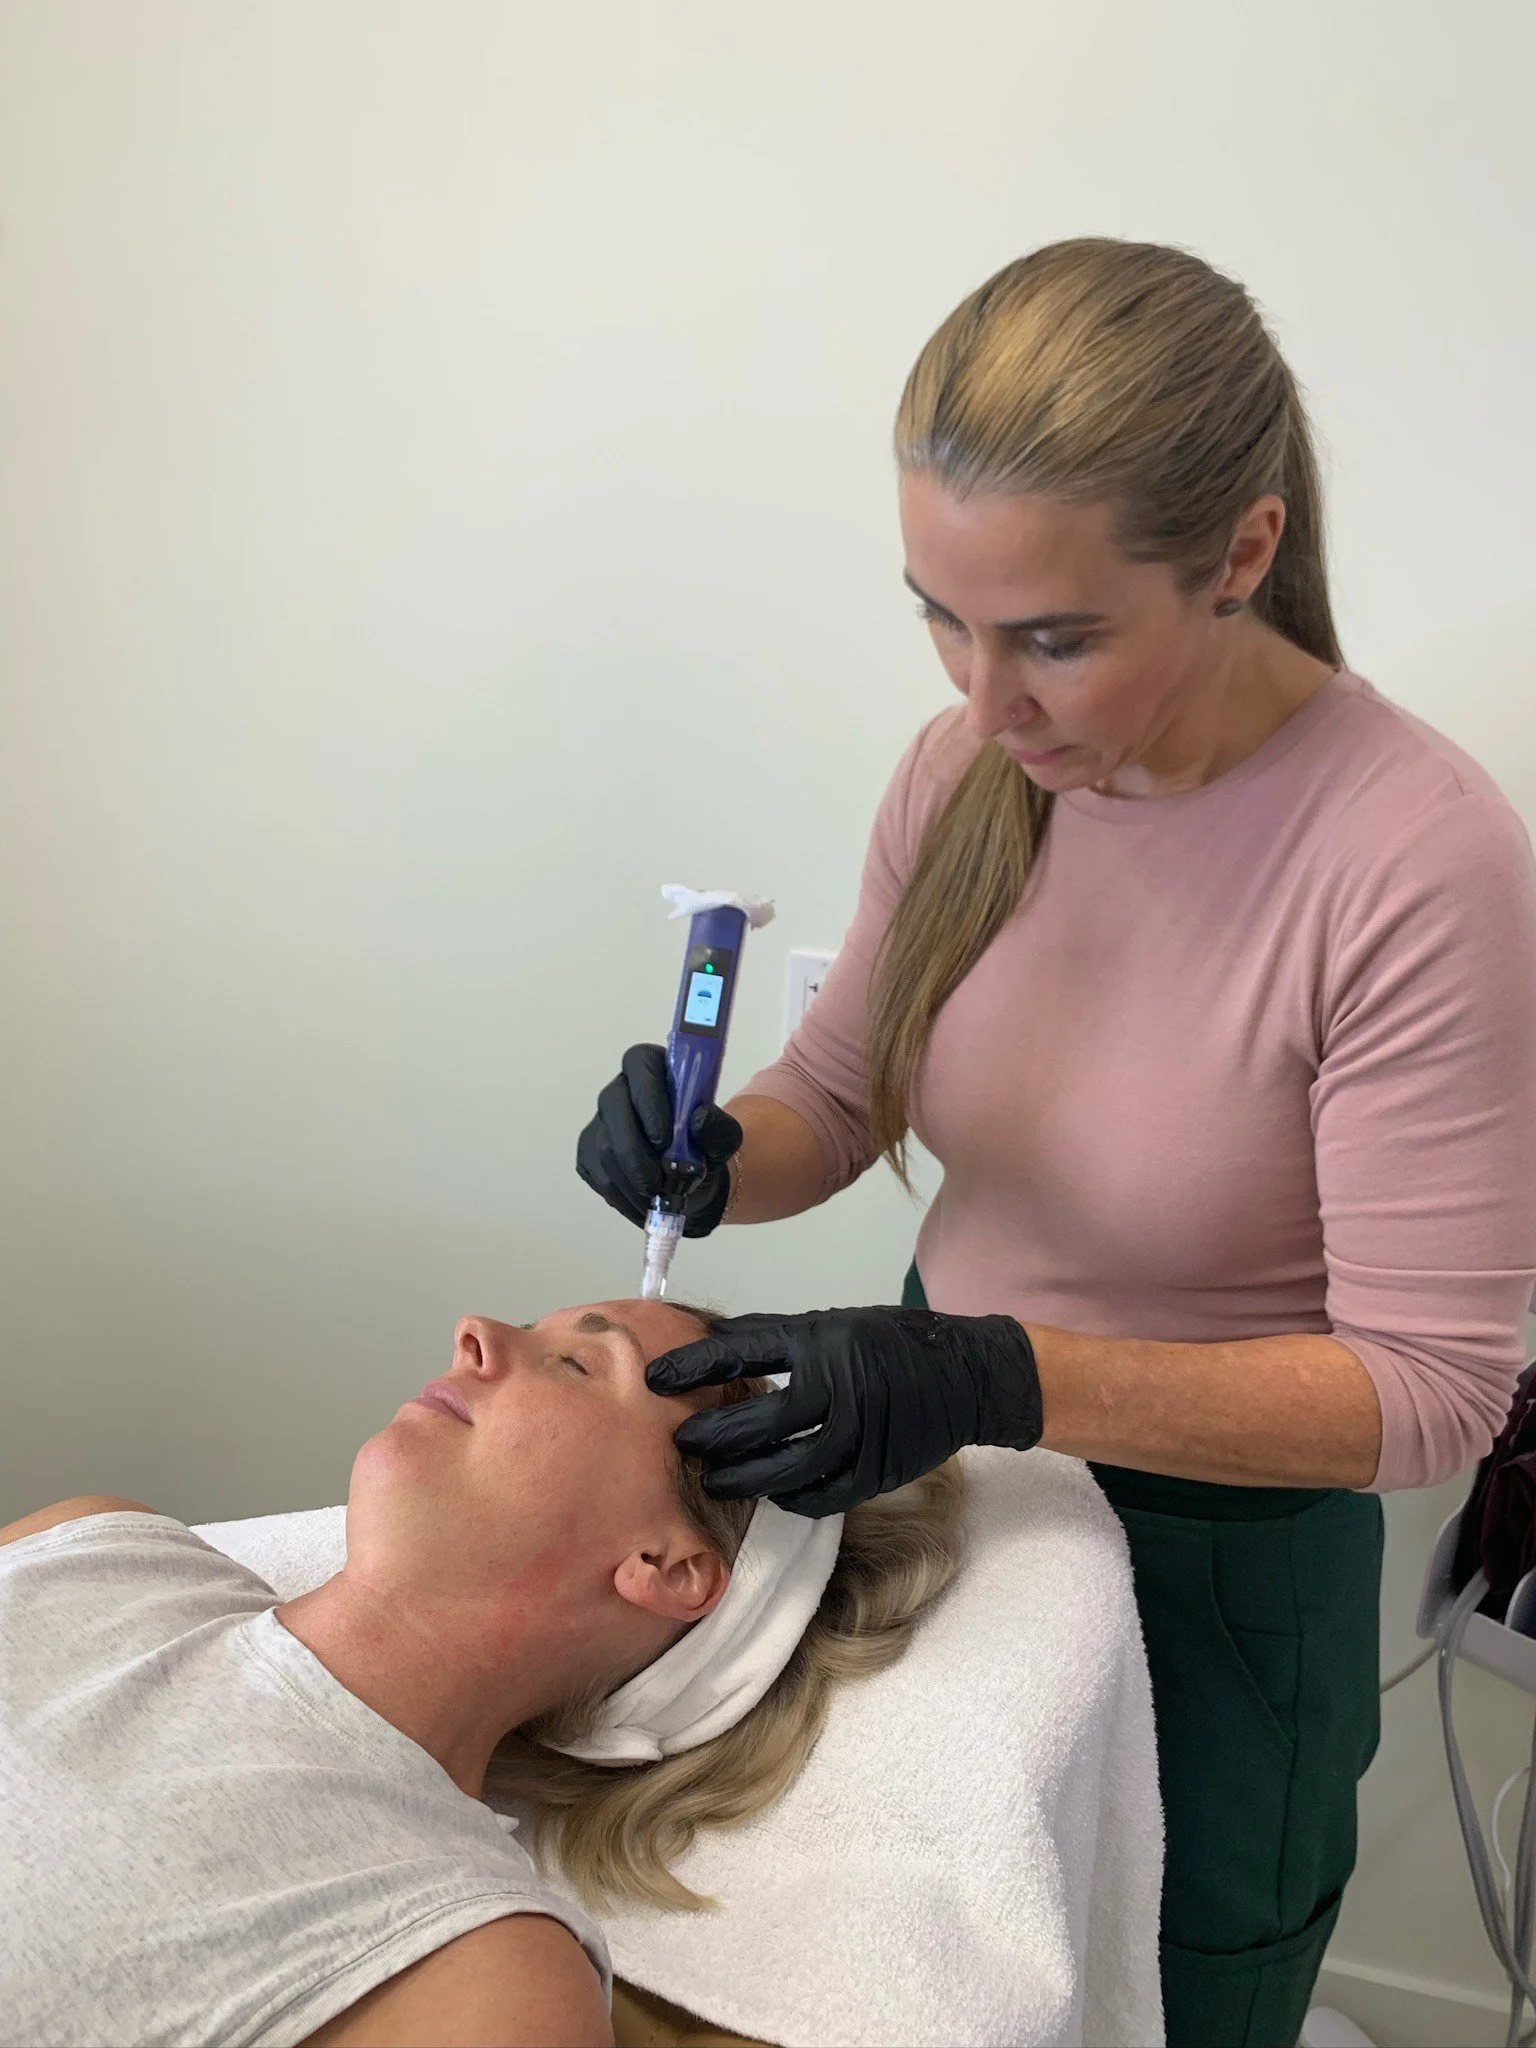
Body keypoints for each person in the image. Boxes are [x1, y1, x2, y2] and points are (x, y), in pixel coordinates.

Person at [578, 237, 1536, 2046]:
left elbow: (1432, 1390)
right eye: (938, 616)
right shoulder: (968, 775)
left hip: (1216, 1564)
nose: (985, 697)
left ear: (1242, 553)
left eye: (1057, 637)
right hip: (946, 1490)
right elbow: (843, 1092)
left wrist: (995, 1372)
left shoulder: (1410, 856)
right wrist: (716, 1148)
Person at [1, 1296, 963, 2048]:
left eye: (581, 1364)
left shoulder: (475, 1970)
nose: (475, 1334)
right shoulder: (97, 1545)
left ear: (668, 1569)